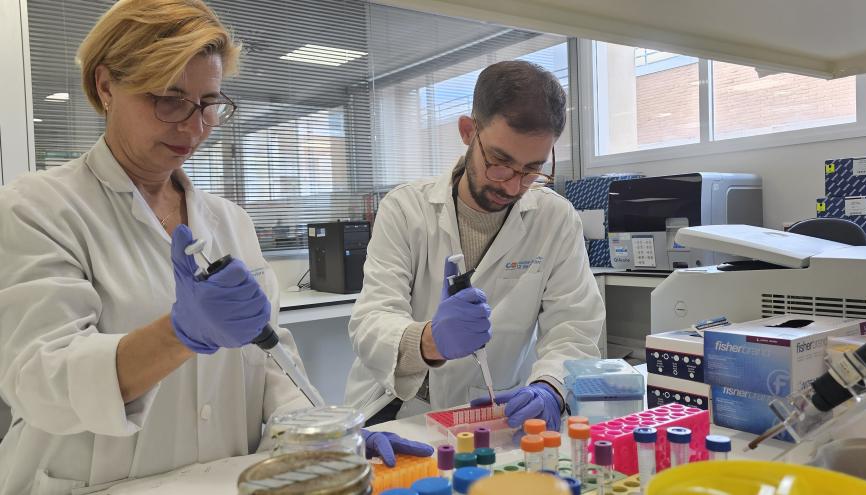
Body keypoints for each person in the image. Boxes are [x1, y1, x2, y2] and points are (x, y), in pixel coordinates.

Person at [0, 2, 429, 494]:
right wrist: (179, 335)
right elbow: (39, 381)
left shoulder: (231, 223)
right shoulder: (36, 208)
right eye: (169, 98)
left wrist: (326, 437)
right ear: (105, 86)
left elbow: (271, 360)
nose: (193, 124)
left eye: (208, 102)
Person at [345, 60, 606, 433]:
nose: (513, 186)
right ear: (469, 132)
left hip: (492, 412)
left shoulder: (556, 218)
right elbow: (370, 321)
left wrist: (551, 387)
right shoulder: (406, 209)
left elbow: (574, 326)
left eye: (531, 169)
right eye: (500, 162)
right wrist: (429, 340)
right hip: (395, 411)